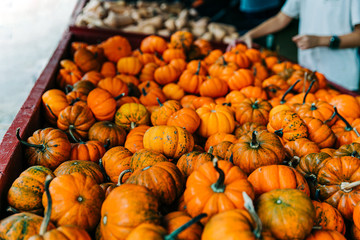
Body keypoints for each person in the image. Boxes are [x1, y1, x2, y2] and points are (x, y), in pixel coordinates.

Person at [238, 0, 360, 91]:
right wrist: (250, 35)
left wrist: (320, 41)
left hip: (341, 78)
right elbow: (281, 19)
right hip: (306, 74)